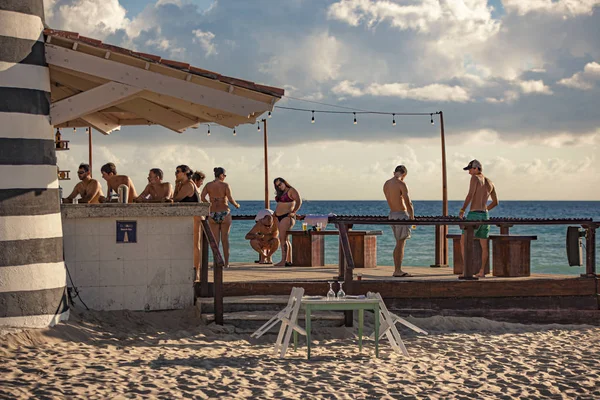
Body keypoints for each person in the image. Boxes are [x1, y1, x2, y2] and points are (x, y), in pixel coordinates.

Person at [459, 159, 499, 278]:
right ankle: (482, 271)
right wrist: (486, 209)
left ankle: (466, 271)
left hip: (474, 214)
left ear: (476, 169)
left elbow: (470, 194)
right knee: (484, 245)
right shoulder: (490, 182)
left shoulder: (475, 178)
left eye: (470, 169)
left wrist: (462, 210)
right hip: (485, 215)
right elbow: (496, 202)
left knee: (464, 242)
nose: (469, 172)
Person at [201, 167, 240, 268]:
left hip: (213, 213)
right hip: (224, 212)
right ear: (221, 175)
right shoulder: (225, 185)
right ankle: (226, 263)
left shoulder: (208, 185)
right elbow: (230, 198)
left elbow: (202, 197)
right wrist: (236, 205)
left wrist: (209, 203)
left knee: (215, 241)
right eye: (225, 176)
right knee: (225, 239)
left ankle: (216, 263)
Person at [383, 165, 414, 277]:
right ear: (404, 174)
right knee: (400, 243)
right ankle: (398, 270)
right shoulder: (401, 184)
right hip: (401, 215)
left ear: (394, 172)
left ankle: (397, 269)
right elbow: (407, 201)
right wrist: (412, 216)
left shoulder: (386, 184)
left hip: (392, 214)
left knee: (398, 242)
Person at [273, 177, 302, 267]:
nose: (279, 186)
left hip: (287, 216)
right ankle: (288, 260)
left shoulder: (291, 190)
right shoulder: (281, 193)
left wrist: (293, 212)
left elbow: (299, 201)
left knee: (282, 239)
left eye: (280, 184)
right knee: (285, 239)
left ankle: (283, 261)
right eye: (277, 186)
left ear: (284, 182)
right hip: (278, 217)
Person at [191, 170, 206, 281]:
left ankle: (197, 271)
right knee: (197, 247)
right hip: (197, 218)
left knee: (197, 246)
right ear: (196, 180)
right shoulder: (194, 188)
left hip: (198, 218)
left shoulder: (196, 189)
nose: (201, 183)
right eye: (201, 181)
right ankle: (197, 271)